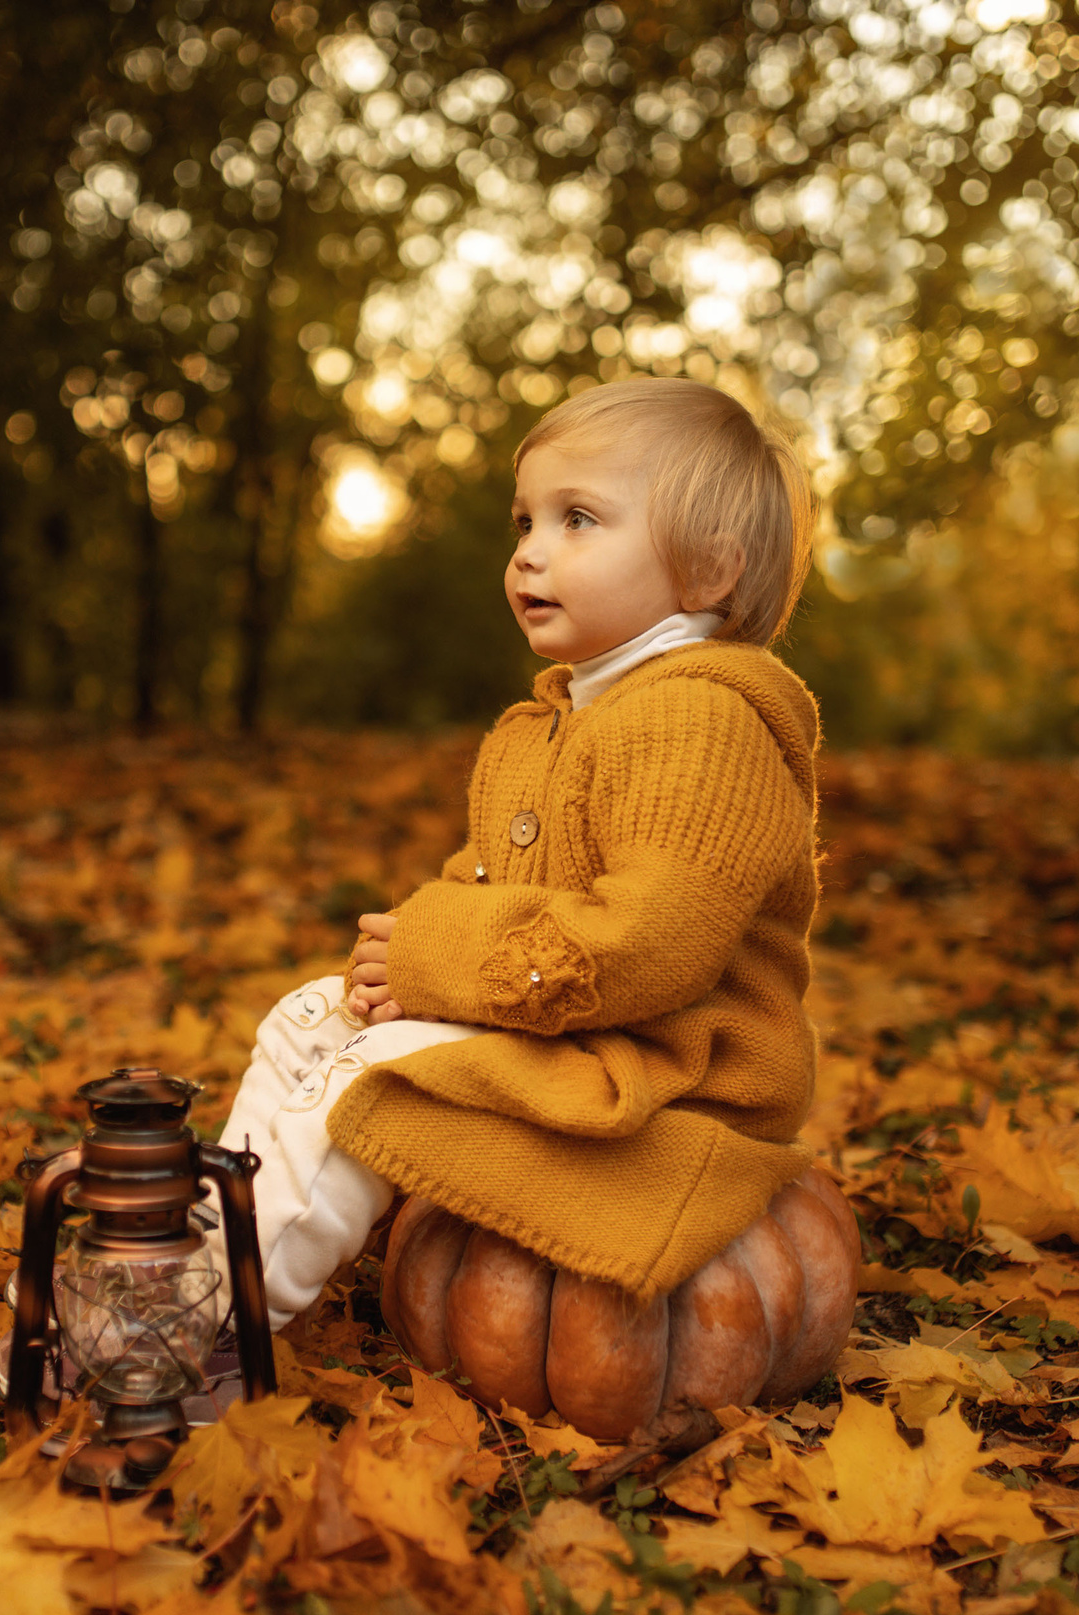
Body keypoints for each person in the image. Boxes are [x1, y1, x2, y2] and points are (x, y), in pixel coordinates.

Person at [224, 376, 823, 1330]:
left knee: (373, 1075)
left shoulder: (705, 722)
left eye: (577, 518)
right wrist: (400, 968)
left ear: (709, 570)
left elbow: (647, 943)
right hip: (564, 1034)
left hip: (664, 1077)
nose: (529, 552)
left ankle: (204, 1320)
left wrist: (435, 960)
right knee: (308, 1020)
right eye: (525, 521)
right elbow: (480, 888)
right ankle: (201, 1245)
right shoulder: (551, 724)